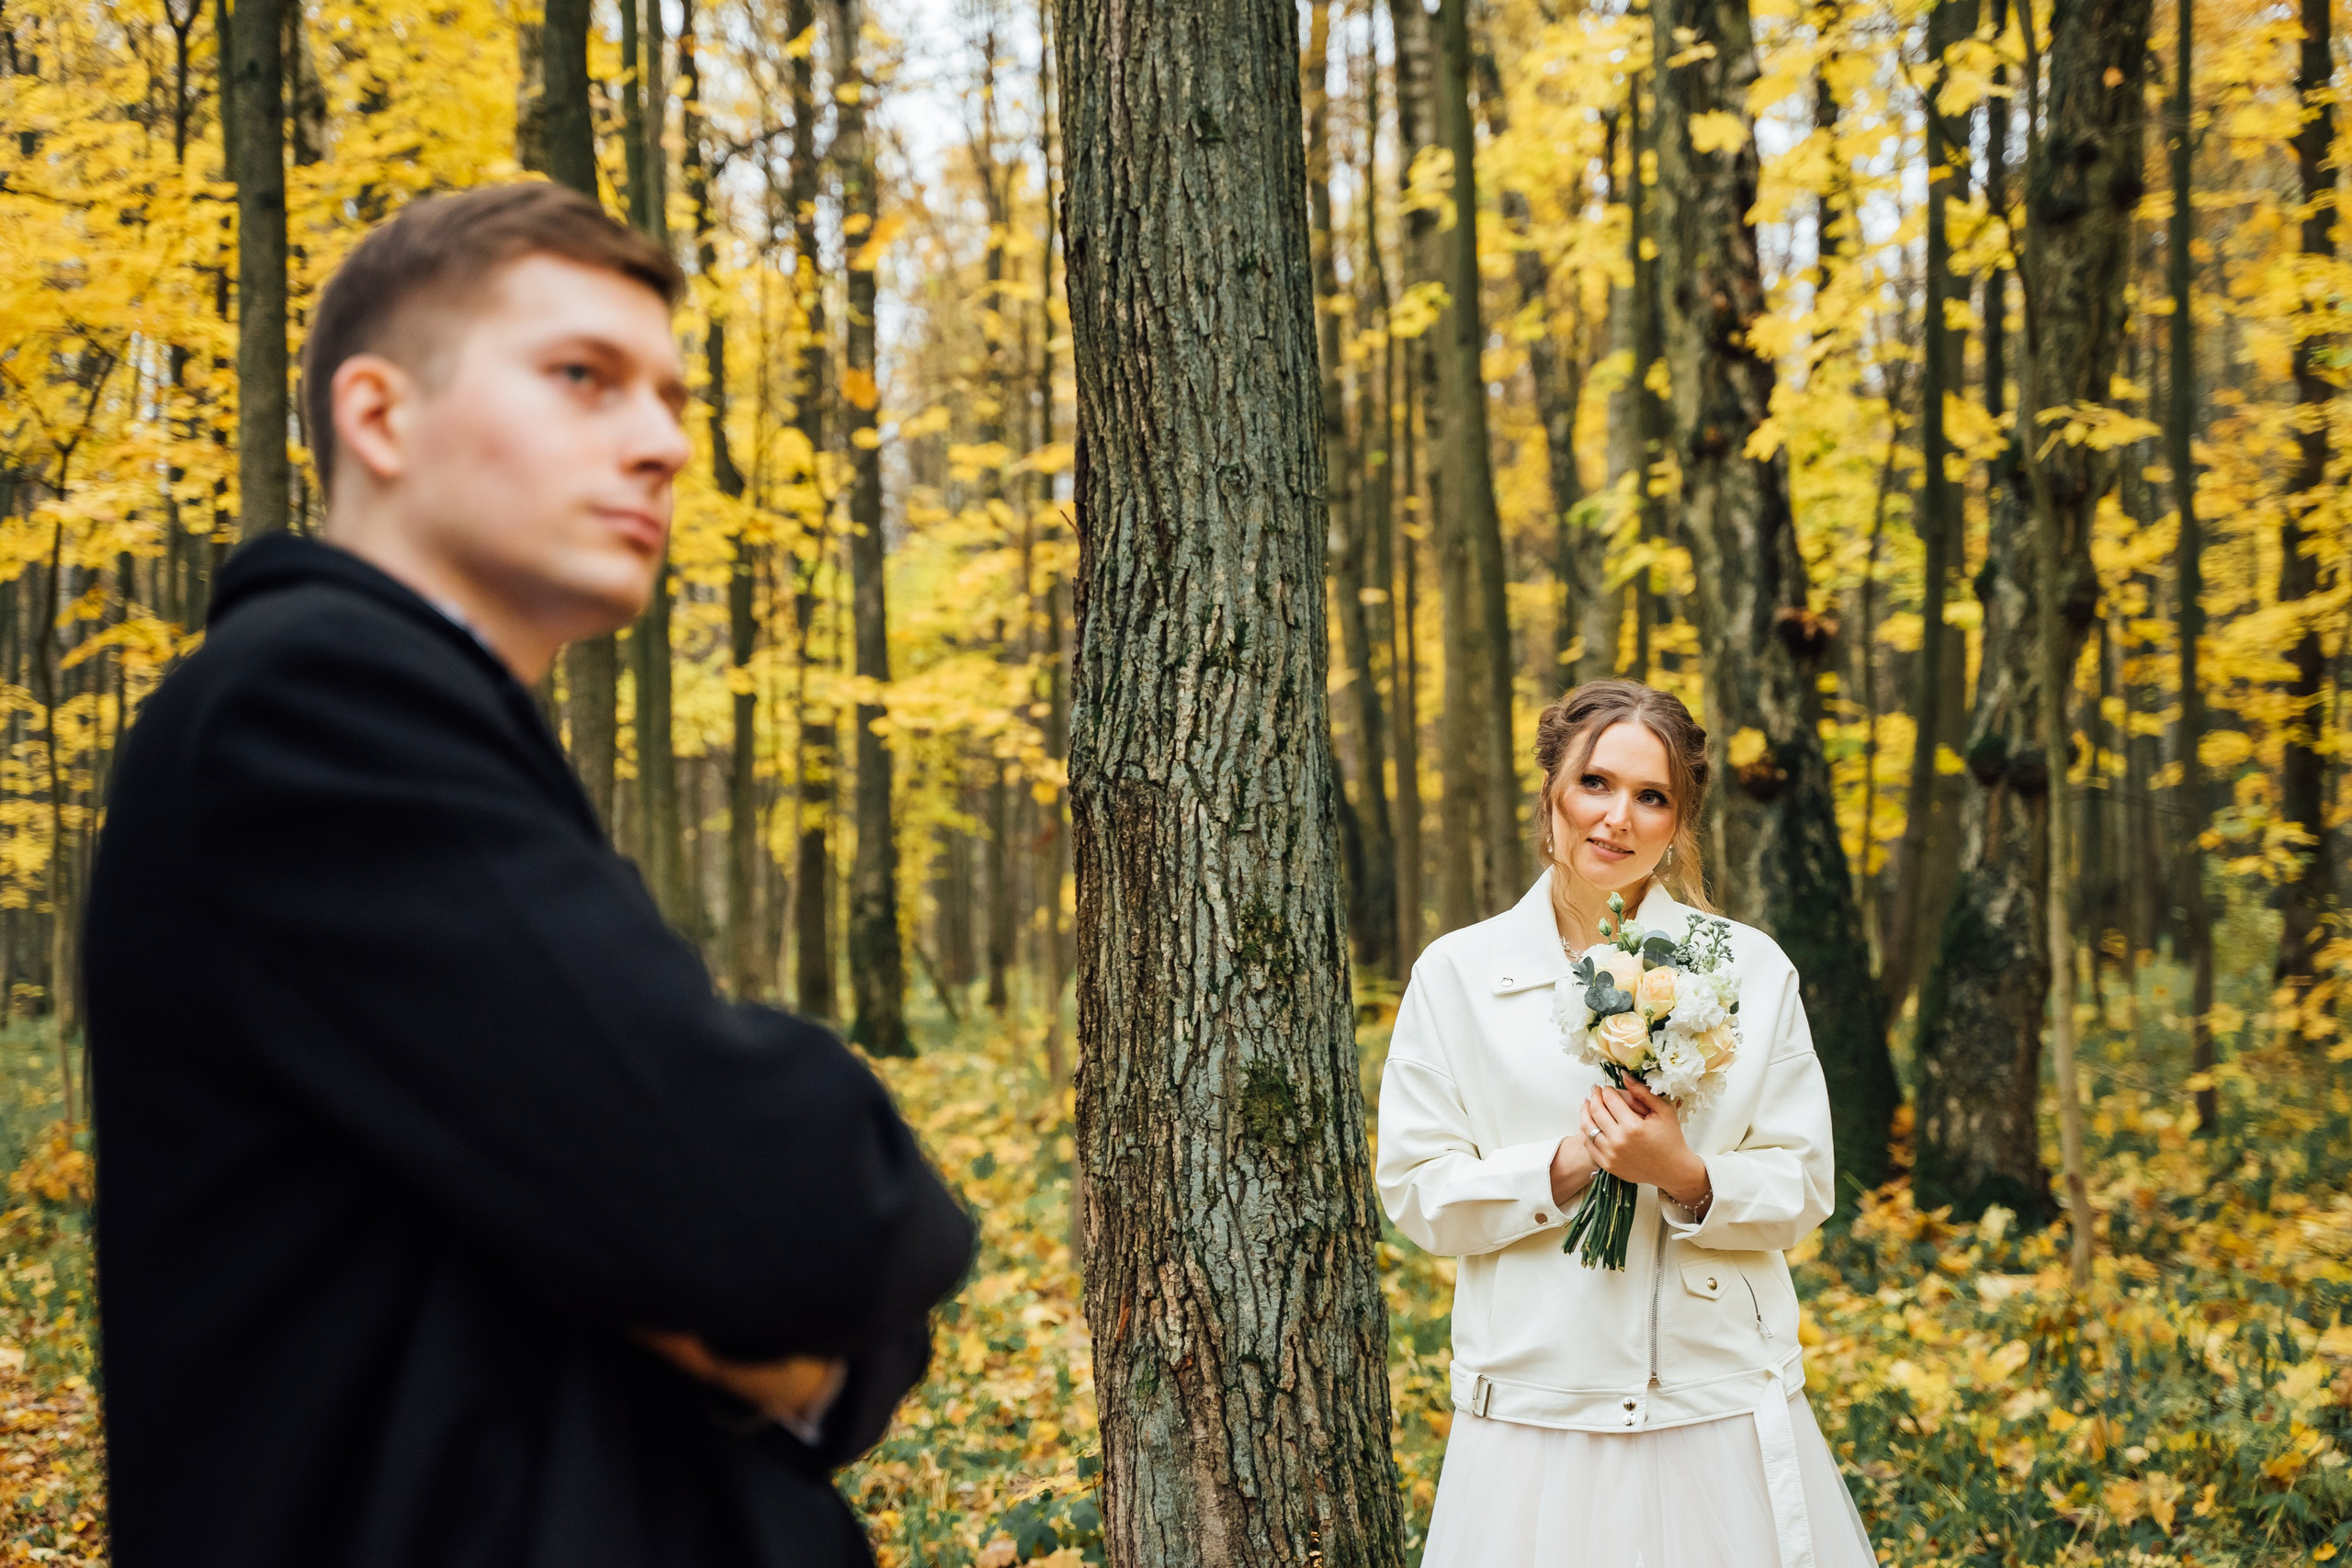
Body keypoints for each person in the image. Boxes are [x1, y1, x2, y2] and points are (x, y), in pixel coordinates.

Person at [84, 183, 975, 1568]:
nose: (665, 443)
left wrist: (799, 1327)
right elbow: (792, 1201)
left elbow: (741, 1230)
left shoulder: (435, 737)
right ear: (379, 416)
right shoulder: (312, 709)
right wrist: (811, 1225)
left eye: (672, 397)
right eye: (583, 378)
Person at [1375, 678, 1876, 1567]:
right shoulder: (1456, 975)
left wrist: (1684, 1175)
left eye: (1652, 797)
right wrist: (1565, 1166)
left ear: (1679, 820)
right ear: (1551, 792)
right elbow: (1417, 1193)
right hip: (1535, 1415)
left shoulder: (1748, 971)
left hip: (1711, 1407)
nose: (1617, 819)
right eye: (1594, 784)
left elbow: (1802, 1186)